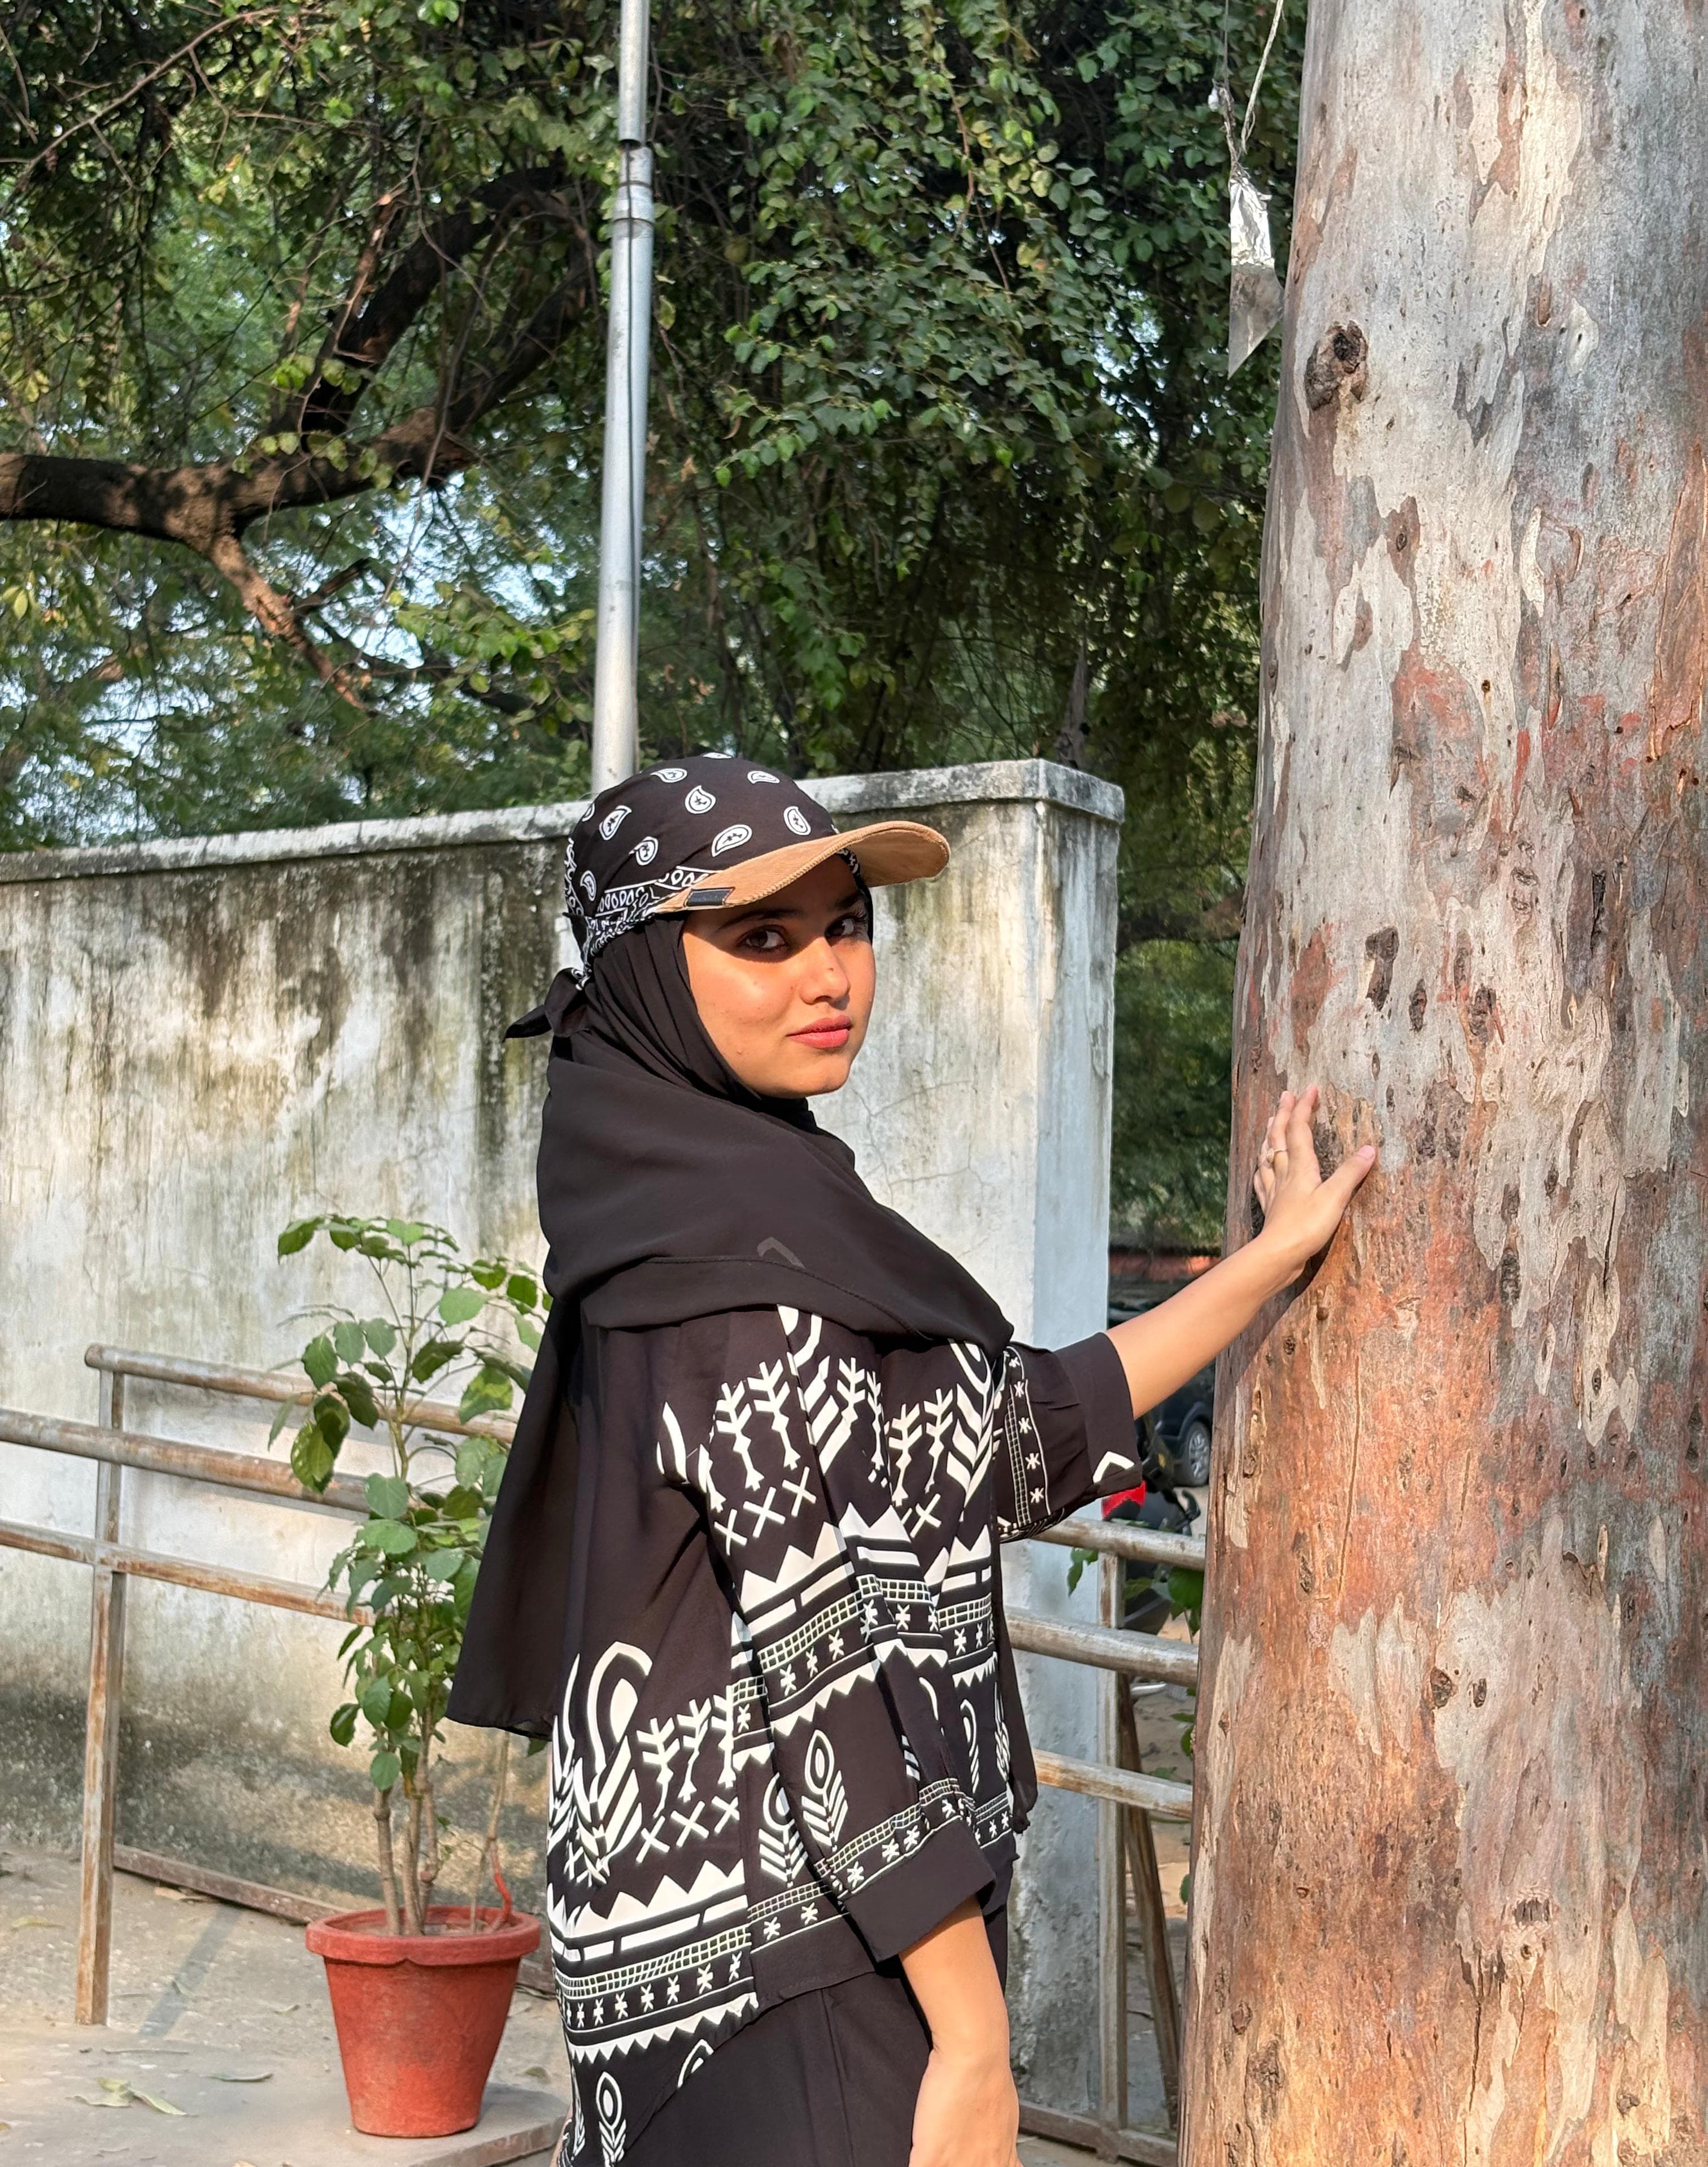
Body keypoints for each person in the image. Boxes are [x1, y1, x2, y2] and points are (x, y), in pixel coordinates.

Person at [448, 754, 1374, 2167]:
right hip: (806, 1957)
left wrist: (1267, 1262)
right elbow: (825, 1666)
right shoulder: (721, 1265)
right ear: (642, 962)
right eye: (762, 936)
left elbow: (1007, 1440)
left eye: (846, 924)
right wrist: (974, 2035)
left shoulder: (688, 1193)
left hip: (718, 1939)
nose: (830, 973)